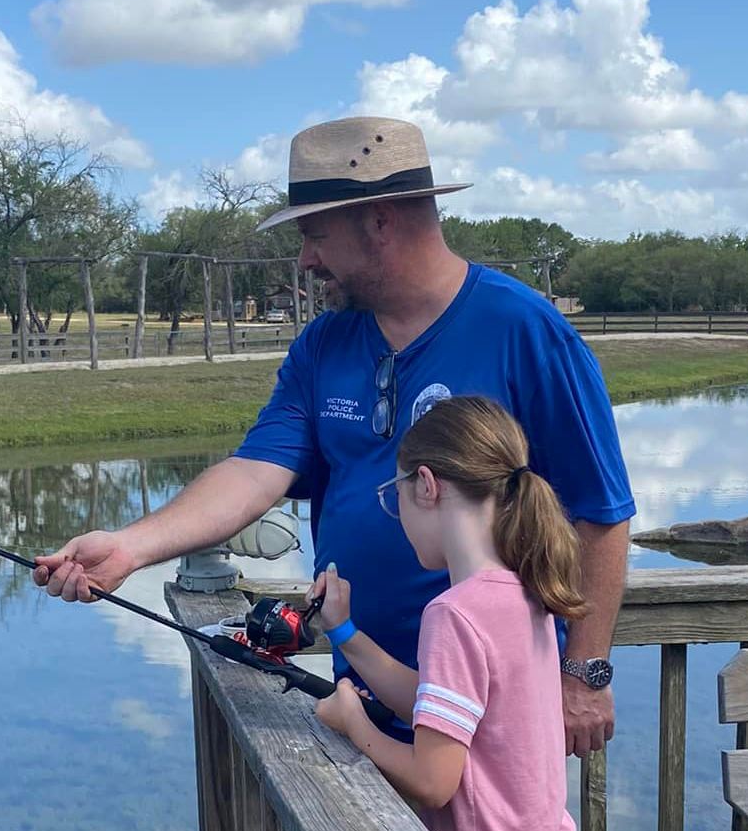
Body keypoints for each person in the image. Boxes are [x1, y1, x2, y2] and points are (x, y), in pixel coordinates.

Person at [34, 116, 634, 755]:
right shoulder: (324, 343)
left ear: (380, 221)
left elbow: (600, 514)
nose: (305, 259)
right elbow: (254, 472)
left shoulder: (526, 331)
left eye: (315, 234)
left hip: (494, 712)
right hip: (371, 701)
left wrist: (584, 674)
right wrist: (131, 546)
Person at [311, 394, 595, 831]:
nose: (400, 521)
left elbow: (434, 781)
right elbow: (442, 702)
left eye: (396, 499)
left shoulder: (455, 613)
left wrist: (353, 725)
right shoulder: (522, 586)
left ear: (426, 485)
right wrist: (345, 633)